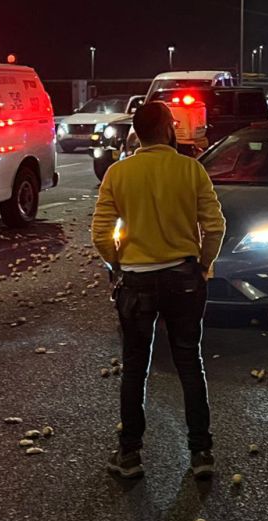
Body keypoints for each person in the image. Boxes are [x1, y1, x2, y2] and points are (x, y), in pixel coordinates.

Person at [91, 100, 226, 478]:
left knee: (136, 367)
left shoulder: (118, 174)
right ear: (168, 128)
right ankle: (201, 453)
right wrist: (202, 264)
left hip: (136, 281)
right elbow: (215, 226)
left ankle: (130, 454)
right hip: (184, 279)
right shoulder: (191, 170)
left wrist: (118, 263)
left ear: (137, 132)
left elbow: (100, 233)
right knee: (189, 362)